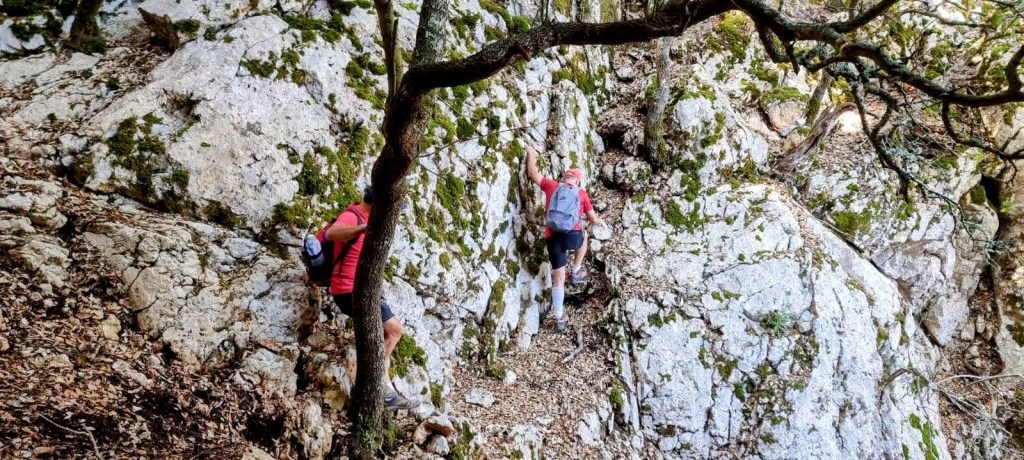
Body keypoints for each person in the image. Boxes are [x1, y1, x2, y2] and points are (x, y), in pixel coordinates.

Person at [324, 187, 418, 410]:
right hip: (349, 291)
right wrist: (366, 227)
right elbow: (332, 233)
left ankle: (382, 386)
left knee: (389, 332)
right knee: (394, 330)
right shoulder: (353, 216)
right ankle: (381, 388)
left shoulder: (370, 218)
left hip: (361, 290)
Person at [524, 144, 605, 331]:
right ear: (577, 181)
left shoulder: (552, 186)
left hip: (553, 237)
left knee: (558, 277)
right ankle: (576, 271)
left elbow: (532, 173)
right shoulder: (581, 193)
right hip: (572, 237)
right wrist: (599, 221)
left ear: (564, 178)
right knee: (583, 237)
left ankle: (560, 318)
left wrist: (531, 153)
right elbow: (592, 219)